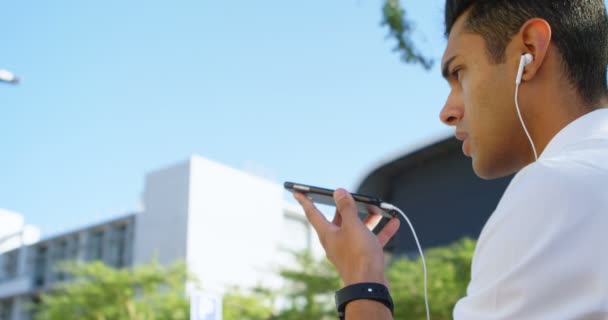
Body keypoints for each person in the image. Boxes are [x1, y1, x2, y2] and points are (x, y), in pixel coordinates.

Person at [294, 1, 608, 319]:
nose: (447, 112)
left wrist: (361, 279)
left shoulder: (554, 190)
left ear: (529, 51)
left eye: (459, 72)